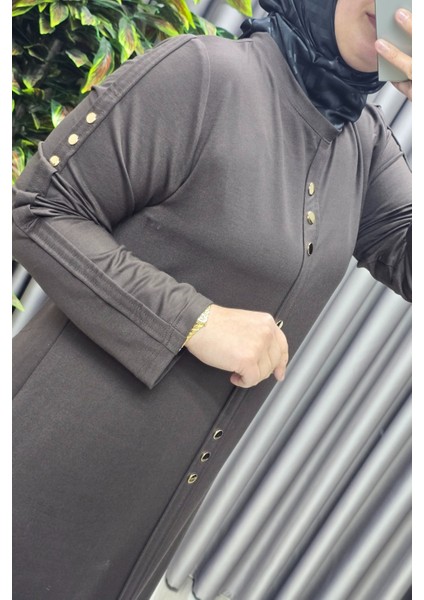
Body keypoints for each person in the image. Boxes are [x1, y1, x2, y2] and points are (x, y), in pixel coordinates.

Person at [12, 0, 412, 598]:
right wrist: (193, 321)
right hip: (41, 472)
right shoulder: (205, 73)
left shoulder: (365, 146)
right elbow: (37, 210)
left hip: (147, 514)